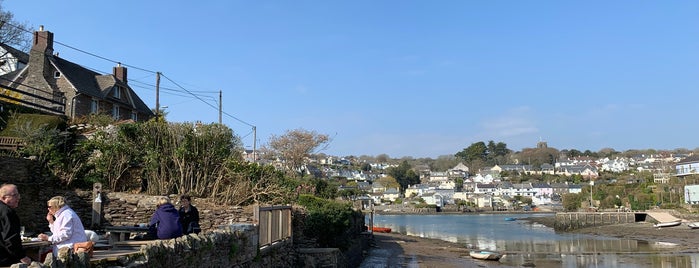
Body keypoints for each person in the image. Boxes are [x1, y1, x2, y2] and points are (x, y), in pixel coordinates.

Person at [0, 184, 31, 265]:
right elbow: (10, 237)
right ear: (4, 198)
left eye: (18, 195)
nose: (18, 198)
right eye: (15, 195)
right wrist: (22, 256)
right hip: (5, 257)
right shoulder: (7, 212)